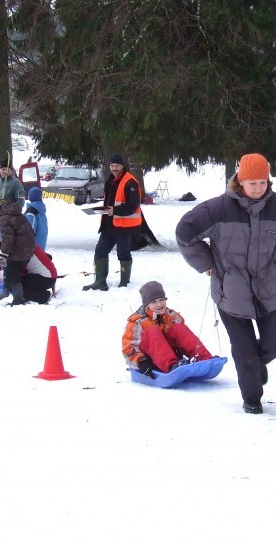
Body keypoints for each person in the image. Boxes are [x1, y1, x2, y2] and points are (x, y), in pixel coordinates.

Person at [175, 153, 276, 414]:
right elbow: (185, 232)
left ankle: (256, 366)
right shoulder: (218, 209)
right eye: (252, 183)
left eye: (263, 182)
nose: (258, 188)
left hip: (266, 289)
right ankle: (252, 399)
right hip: (229, 292)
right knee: (245, 352)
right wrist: (205, 262)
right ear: (240, 182)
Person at [122, 281, 213, 377]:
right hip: (150, 361)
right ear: (147, 304)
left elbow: (185, 339)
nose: (159, 304)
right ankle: (171, 366)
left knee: (178, 328)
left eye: (161, 300)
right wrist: (141, 362)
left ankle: (204, 359)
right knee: (152, 331)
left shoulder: (171, 316)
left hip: (175, 358)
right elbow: (129, 348)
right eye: (154, 302)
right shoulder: (138, 322)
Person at [83, 153, 142, 291]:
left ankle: (124, 283)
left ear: (122, 166)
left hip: (124, 226)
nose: (114, 168)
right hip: (108, 225)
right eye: (112, 166)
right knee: (100, 251)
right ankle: (100, 282)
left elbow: (133, 205)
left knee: (123, 254)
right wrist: (104, 210)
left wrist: (114, 210)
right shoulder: (110, 181)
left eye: (117, 166)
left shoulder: (130, 182)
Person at [0, 198, 36, 306]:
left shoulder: (4, 219)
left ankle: (18, 299)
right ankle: (5, 290)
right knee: (9, 270)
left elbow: (8, 238)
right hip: (28, 250)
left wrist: (3, 254)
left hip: (18, 252)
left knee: (13, 277)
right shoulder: (19, 215)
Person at [0, 156, 25, 261]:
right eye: (2, 169)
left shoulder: (16, 183)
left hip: (10, 221)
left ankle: (6, 264)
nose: (4, 171)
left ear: (11, 170)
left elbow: (20, 203)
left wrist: (6, 211)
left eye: (6, 169)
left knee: (6, 246)